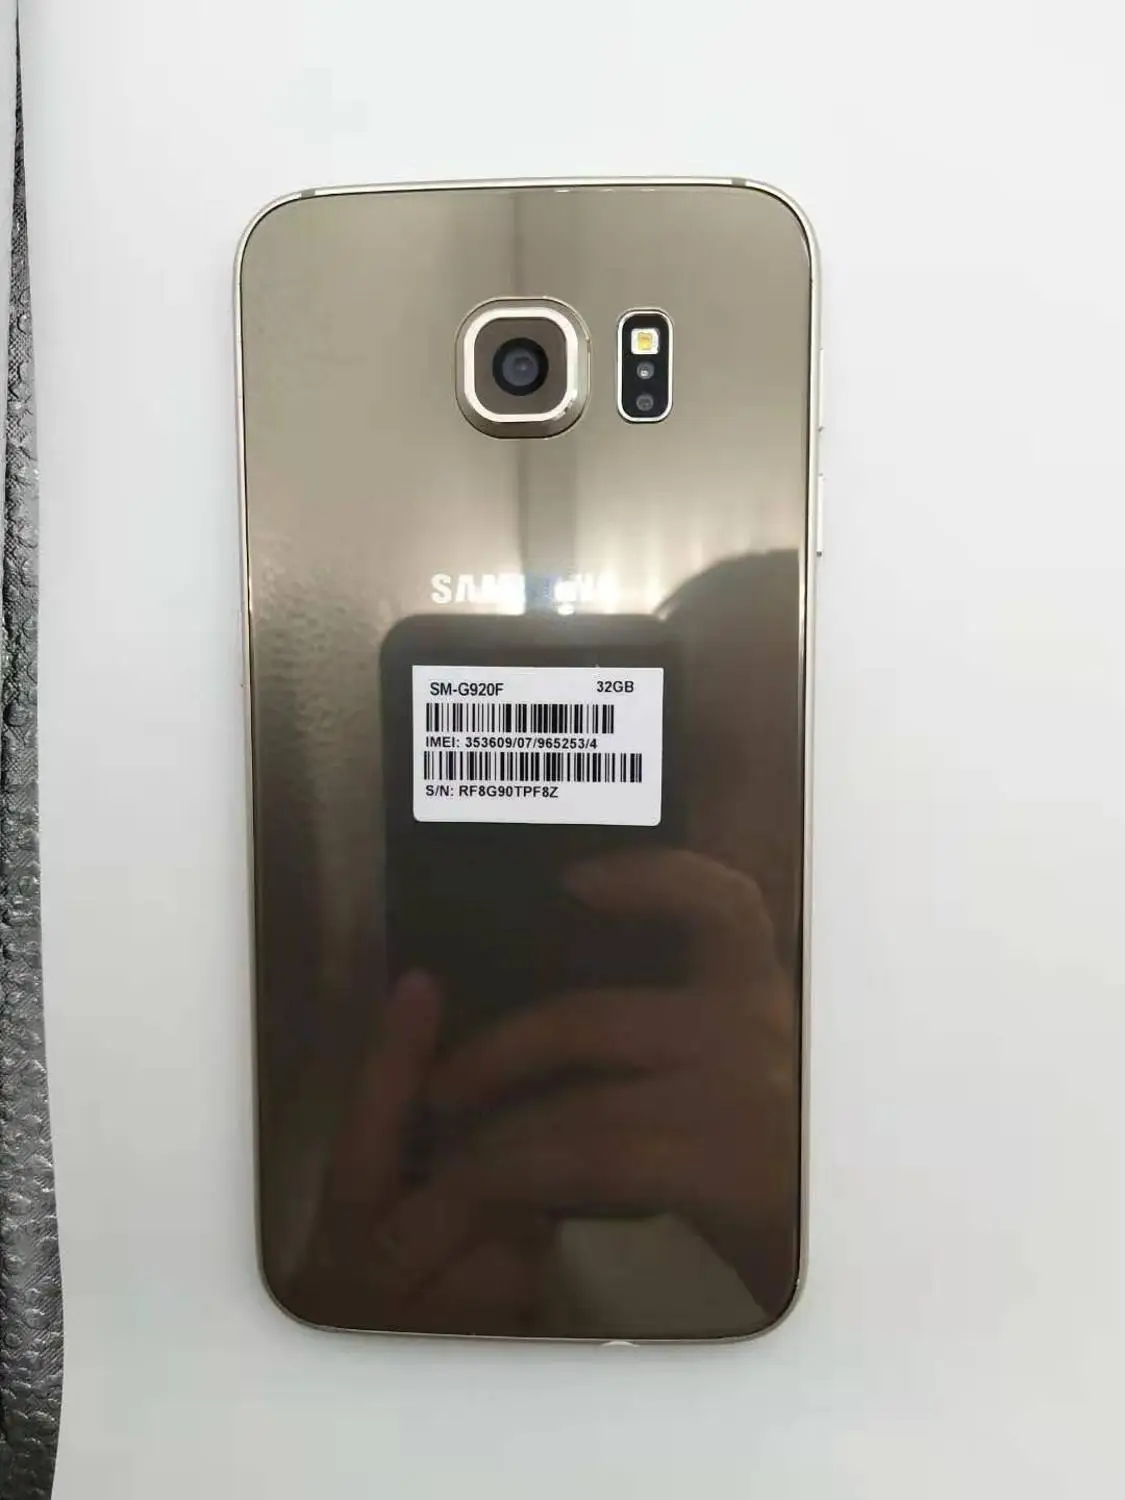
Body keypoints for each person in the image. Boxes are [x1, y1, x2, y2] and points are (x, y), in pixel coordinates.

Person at [290, 550, 804, 1338]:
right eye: (689, 758)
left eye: (807, 772)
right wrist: (343, 1336)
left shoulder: (946, 1133)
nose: (738, 839)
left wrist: (793, 1229)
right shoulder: (446, 1028)